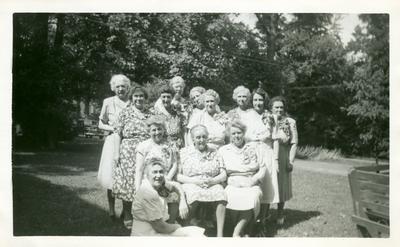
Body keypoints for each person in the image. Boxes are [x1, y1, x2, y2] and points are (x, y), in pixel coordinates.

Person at [131, 158, 205, 236]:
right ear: (147, 175)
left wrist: (182, 202)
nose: (158, 175)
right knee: (193, 234)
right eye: (154, 172)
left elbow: (176, 185)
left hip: (157, 231)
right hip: (146, 235)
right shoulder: (148, 192)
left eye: (161, 172)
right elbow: (160, 227)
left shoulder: (159, 183)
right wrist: (178, 226)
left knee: (195, 234)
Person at [112, 86, 152, 229]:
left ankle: (144, 214)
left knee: (145, 182)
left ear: (145, 98)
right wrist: (116, 153)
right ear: (132, 98)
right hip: (128, 151)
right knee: (128, 183)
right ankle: (128, 214)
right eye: (136, 96)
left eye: (141, 96)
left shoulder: (151, 113)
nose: (139, 99)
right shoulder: (125, 113)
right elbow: (117, 133)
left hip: (147, 150)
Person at [218, 120, 266, 237]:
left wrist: (252, 181)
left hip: (251, 182)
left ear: (244, 133)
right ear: (229, 135)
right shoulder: (223, 150)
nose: (236, 136)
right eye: (233, 133)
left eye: (239, 133)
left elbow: (263, 168)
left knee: (252, 197)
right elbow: (222, 170)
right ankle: (243, 230)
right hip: (232, 183)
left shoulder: (253, 147)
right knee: (230, 197)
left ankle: (236, 232)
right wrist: (229, 181)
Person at [177, 124, 227, 237]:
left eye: (204, 137)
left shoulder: (215, 151)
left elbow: (223, 174)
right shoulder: (184, 152)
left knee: (221, 195)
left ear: (207, 137)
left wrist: (213, 181)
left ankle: (220, 235)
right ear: (193, 139)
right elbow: (178, 176)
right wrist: (195, 181)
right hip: (191, 183)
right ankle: (187, 231)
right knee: (193, 195)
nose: (201, 140)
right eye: (198, 137)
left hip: (212, 182)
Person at [244, 86, 279, 225]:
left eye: (260, 100)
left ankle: (263, 218)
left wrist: (275, 159)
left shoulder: (271, 116)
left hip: (266, 152)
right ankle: (250, 217)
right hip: (251, 151)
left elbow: (275, 139)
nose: (258, 102)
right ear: (251, 101)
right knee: (252, 183)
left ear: (265, 101)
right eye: (255, 100)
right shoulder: (246, 115)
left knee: (267, 185)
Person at [97, 74, 131, 220]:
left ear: (127, 88)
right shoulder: (108, 102)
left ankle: (126, 210)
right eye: (117, 86)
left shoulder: (132, 102)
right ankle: (111, 210)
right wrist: (114, 128)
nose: (120, 89)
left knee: (126, 176)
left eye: (123, 86)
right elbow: (100, 123)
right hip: (112, 142)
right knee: (112, 176)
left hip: (128, 143)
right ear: (113, 88)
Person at [135, 115, 180, 223]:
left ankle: (171, 223)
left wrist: (167, 178)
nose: (157, 132)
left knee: (174, 195)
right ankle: (156, 223)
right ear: (149, 131)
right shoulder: (143, 146)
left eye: (159, 129)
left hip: (166, 179)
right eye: (153, 130)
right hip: (149, 180)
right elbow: (139, 169)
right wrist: (137, 189)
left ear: (164, 130)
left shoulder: (170, 145)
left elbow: (174, 164)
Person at [269, 96, 298, 225]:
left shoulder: (290, 122)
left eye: (281, 107)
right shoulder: (267, 119)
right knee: (267, 183)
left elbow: (294, 143)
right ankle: (264, 212)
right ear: (271, 108)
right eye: (276, 107)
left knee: (281, 185)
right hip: (267, 154)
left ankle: (280, 213)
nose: (279, 110)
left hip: (282, 155)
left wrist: (290, 161)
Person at [150, 84, 185, 150]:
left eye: (168, 97)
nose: (166, 99)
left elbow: (184, 131)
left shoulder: (177, 112)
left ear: (172, 98)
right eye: (163, 97)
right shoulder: (155, 113)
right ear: (160, 98)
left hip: (179, 146)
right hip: (162, 146)